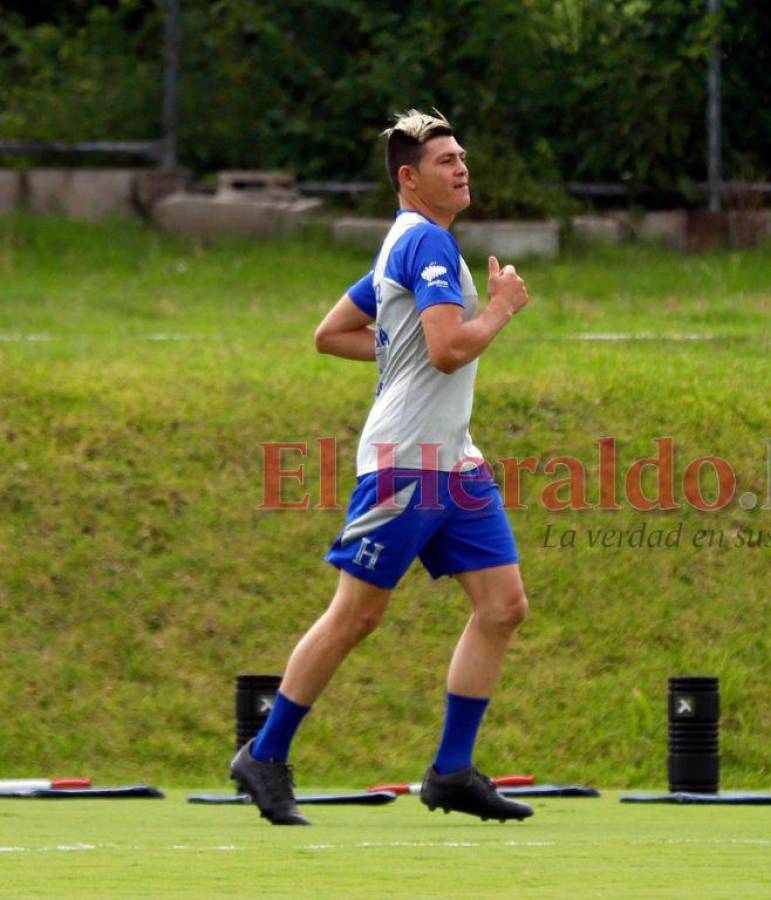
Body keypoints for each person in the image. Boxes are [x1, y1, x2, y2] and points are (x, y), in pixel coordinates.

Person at [230, 109, 533, 826]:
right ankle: (264, 756)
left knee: (503, 607)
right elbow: (448, 350)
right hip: (407, 464)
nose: (461, 167)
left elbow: (332, 334)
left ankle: (452, 772)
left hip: (454, 462)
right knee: (357, 614)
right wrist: (500, 310)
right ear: (408, 177)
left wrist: (412, 342)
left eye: (462, 155)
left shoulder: (407, 243)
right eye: (444, 160)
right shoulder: (424, 242)